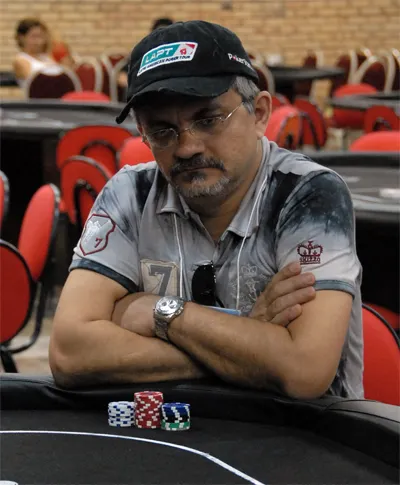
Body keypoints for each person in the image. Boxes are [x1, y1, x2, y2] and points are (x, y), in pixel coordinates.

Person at [50, 21, 363, 400]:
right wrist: (245, 339)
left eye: (208, 120)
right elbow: (68, 353)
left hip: (303, 430)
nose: (186, 148)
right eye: (161, 130)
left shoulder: (308, 194)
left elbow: (303, 369)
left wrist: (158, 312)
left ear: (259, 113)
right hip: (174, 428)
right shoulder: (130, 192)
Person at [13, 18, 74, 88]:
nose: (39, 41)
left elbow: (69, 73)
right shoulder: (21, 59)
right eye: (34, 37)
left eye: (41, 36)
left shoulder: (48, 56)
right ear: (22, 38)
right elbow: (35, 82)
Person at [118, 17, 174, 90]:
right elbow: (122, 77)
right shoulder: (143, 52)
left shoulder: (178, 54)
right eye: (159, 34)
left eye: (166, 35)